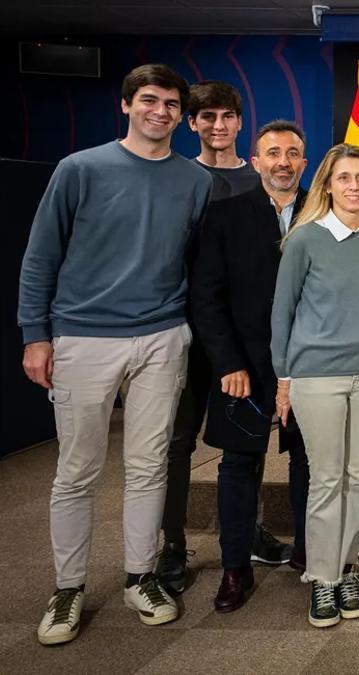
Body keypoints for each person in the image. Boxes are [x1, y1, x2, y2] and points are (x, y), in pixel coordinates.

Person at [20, 64, 211, 645]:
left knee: (149, 466)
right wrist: (36, 333)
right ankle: (67, 588)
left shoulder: (193, 180)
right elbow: (41, 255)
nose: (161, 111)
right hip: (84, 336)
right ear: (126, 105)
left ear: (183, 115)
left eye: (172, 104)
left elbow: (194, 262)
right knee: (77, 470)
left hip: (162, 336)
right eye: (149, 101)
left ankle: (140, 576)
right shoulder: (80, 169)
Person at [157, 80, 290, 595]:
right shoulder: (177, 176)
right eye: (206, 117)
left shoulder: (259, 179)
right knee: (179, 441)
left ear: (241, 126)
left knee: (246, 441)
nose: (218, 125)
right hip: (187, 329)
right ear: (191, 123)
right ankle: (172, 544)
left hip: (248, 341)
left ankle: (247, 532)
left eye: (227, 117)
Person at [190, 120, 312, 613]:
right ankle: (235, 568)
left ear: (305, 162)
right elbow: (206, 298)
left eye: (293, 153)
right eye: (273, 152)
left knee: (309, 464)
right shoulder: (224, 215)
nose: (283, 161)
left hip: (310, 368)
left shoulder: (324, 213)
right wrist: (227, 363)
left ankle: (310, 558)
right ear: (256, 161)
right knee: (239, 467)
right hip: (242, 368)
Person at [271, 143, 359, 628]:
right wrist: (284, 377)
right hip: (316, 374)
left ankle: (345, 570)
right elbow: (282, 313)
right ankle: (321, 580)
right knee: (325, 478)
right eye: (344, 178)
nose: (354, 187)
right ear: (327, 184)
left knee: (357, 474)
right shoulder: (304, 239)